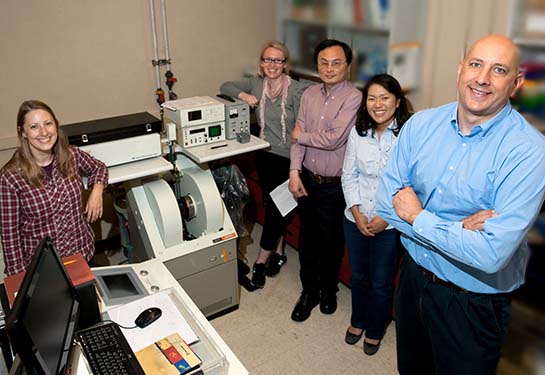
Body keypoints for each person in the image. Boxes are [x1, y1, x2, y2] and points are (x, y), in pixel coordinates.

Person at [376, 34, 545, 374]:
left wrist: (419, 216)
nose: (482, 78)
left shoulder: (529, 152)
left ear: (516, 83)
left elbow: (490, 254)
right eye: (476, 64)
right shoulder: (421, 125)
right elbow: (384, 203)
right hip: (412, 280)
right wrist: (458, 230)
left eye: (499, 70)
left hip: (472, 302)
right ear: (460, 70)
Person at [220, 41, 309, 288]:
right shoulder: (256, 84)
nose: (272, 65)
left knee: (276, 210)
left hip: (291, 157)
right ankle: (279, 254)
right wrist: (244, 95)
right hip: (265, 153)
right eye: (267, 60)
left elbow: (305, 124)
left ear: (285, 64)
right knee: (273, 205)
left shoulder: (296, 91)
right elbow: (224, 86)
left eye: (277, 60)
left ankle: (260, 261)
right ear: (261, 63)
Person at [289, 39, 362, 322]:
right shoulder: (308, 94)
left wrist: (300, 135)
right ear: (316, 65)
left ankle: (329, 290)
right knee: (307, 239)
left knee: (331, 242)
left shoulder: (354, 97)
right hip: (307, 178)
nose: (329, 68)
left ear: (347, 66)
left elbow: (333, 139)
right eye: (323, 62)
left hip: (335, 185)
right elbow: (299, 135)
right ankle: (309, 292)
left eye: (336, 63)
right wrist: (294, 171)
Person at [341, 74, 411, 355]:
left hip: (389, 222)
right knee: (359, 276)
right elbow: (349, 175)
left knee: (381, 281)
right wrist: (356, 213)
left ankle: (375, 327)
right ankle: (357, 320)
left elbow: (410, 184)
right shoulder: (358, 132)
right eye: (372, 98)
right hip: (355, 217)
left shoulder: (408, 135)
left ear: (397, 101)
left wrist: (386, 218)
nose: (377, 104)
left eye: (384, 98)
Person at [0, 100, 108, 276]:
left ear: (56, 126)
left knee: (91, 303)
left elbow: (99, 168)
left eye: (48, 124)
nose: (43, 132)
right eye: (34, 126)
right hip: (45, 268)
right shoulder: (11, 177)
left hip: (82, 254)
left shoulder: (71, 156)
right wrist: (19, 278)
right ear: (23, 132)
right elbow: (9, 235)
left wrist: (97, 191)